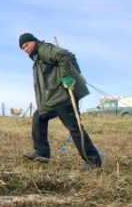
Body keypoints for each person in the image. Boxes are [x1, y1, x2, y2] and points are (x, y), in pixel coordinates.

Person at [18, 33, 102, 168]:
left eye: (26, 45)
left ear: (33, 41)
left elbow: (64, 55)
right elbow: (70, 56)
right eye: (22, 48)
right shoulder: (38, 56)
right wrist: (76, 72)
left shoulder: (43, 49)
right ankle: (42, 153)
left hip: (63, 97)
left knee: (74, 128)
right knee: (39, 117)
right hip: (53, 99)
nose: (25, 49)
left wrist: (67, 76)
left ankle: (93, 161)